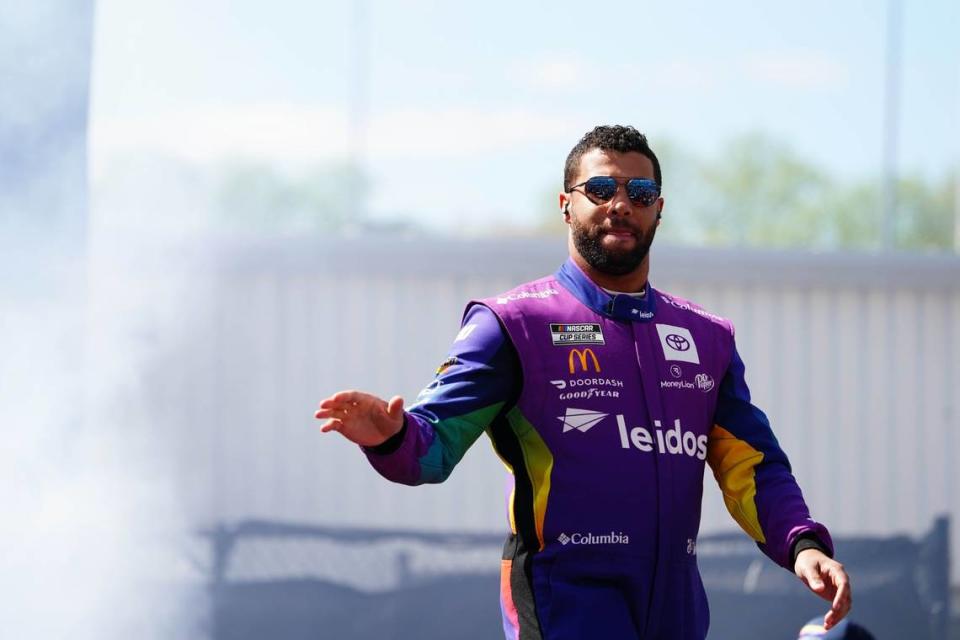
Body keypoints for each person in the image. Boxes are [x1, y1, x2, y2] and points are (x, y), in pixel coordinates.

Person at [315, 125, 851, 639]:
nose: (621, 203)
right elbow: (429, 452)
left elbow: (752, 466)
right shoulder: (511, 325)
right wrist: (390, 434)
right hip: (564, 605)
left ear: (659, 210)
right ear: (566, 204)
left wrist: (801, 544)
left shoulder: (705, 338)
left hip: (675, 610)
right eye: (599, 188)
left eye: (639, 191)